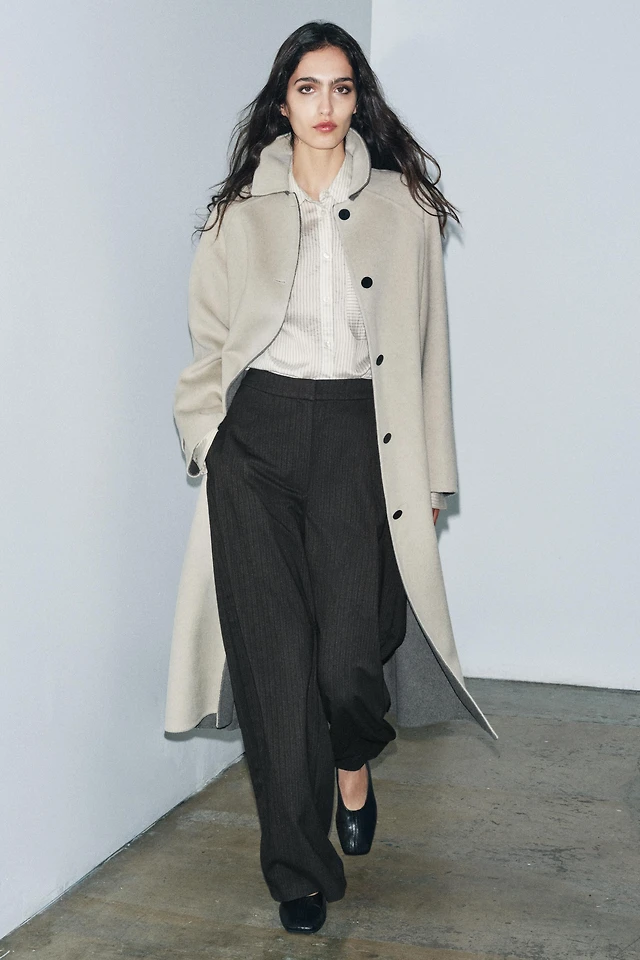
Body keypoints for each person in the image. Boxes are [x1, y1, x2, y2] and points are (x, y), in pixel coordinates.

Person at [168, 19, 497, 936]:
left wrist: (433, 476)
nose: (325, 105)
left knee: (352, 659)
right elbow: (208, 338)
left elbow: (428, 351)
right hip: (257, 444)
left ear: (359, 100)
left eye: (342, 88)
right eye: (307, 88)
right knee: (275, 670)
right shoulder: (238, 209)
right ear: (283, 102)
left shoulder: (404, 206)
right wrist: (208, 437)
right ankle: (298, 871)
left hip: (361, 436)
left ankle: (354, 762)